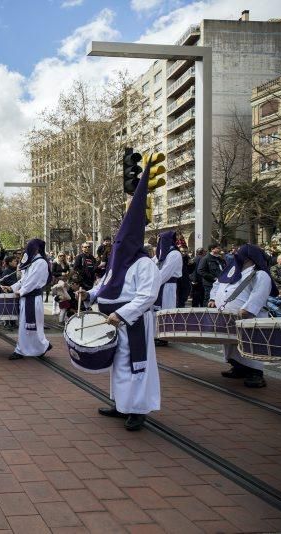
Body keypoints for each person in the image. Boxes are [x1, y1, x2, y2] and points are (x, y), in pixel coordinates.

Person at [78, 165, 161, 432]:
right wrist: (88, 294)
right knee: (118, 363)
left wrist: (121, 314)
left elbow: (147, 295)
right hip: (112, 320)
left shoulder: (144, 264)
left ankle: (137, 410)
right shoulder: (118, 263)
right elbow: (105, 286)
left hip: (131, 321)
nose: (116, 249)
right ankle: (121, 403)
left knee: (134, 364)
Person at [209, 244, 276, 388]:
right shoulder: (233, 270)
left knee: (251, 344)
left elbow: (259, 293)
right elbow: (218, 284)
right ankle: (238, 367)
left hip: (250, 318)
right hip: (229, 317)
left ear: (249, 257)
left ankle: (255, 374)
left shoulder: (260, 274)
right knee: (232, 344)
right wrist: (213, 298)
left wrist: (247, 309)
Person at [0, 239, 52, 360]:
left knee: (32, 326)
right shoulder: (32, 262)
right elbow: (24, 280)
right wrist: (12, 288)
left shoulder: (41, 262)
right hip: (27, 297)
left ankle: (27, 349)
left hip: (32, 298)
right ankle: (37, 347)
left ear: (36, 249)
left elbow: (33, 281)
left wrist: (21, 292)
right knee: (26, 326)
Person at [153, 230, 183, 347]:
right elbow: (152, 263)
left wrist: (152, 282)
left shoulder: (174, 254)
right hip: (158, 285)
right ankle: (156, 334)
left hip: (168, 286)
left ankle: (164, 336)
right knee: (157, 311)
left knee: (166, 309)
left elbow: (166, 273)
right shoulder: (162, 253)